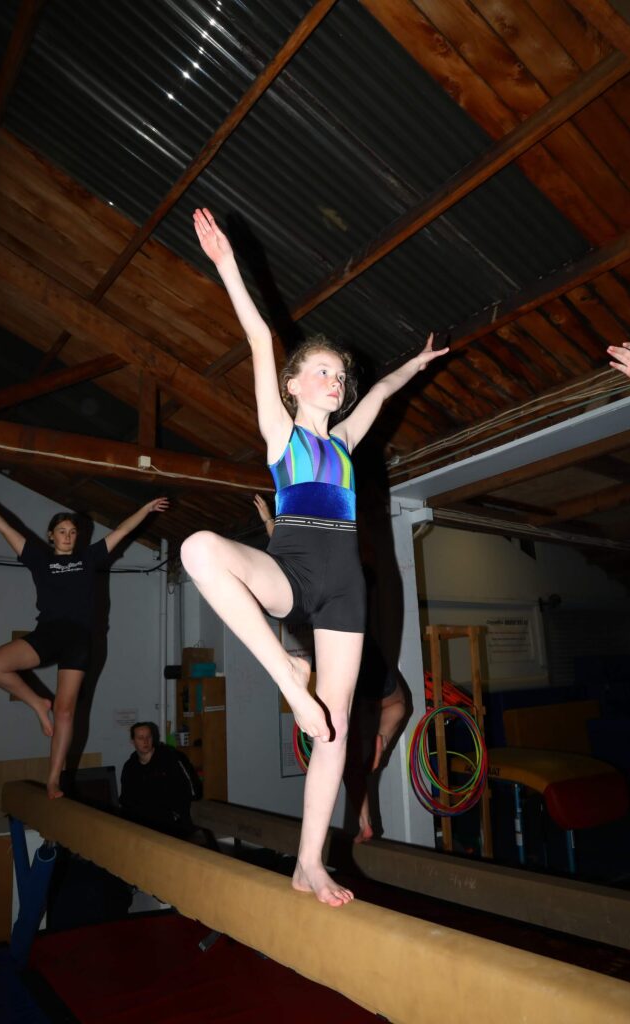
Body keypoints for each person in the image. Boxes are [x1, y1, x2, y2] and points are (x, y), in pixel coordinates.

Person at [180, 207, 448, 906]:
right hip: (290, 569)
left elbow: (381, 391)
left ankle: (309, 863)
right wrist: (227, 266)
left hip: (344, 592)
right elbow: (259, 337)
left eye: (339, 375)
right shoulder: (282, 435)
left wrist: (414, 365)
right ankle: (286, 677)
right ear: (297, 385)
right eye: (322, 371)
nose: (335, 380)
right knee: (199, 548)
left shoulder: (345, 443)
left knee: (334, 734)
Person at [0, 493, 169, 798]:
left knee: (66, 712)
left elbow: (121, 532)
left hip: (79, 640)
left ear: (77, 537)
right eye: (62, 531)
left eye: (72, 532)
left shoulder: (88, 558)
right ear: (51, 536)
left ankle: (54, 780)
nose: (67, 536)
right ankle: (38, 703)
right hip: (46, 634)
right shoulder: (38, 558)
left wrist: (144, 509)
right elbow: (3, 526)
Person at [253, 493, 406, 844]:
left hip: (333, 662)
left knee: (340, 746)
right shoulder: (352, 571)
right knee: (397, 705)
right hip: (362, 654)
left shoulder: (327, 572)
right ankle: (380, 738)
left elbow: (293, 561)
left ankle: (364, 818)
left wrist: (270, 523)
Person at [120, 721, 202, 839]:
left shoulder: (171, 758)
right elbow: (126, 800)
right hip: (143, 827)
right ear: (133, 741)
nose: (145, 741)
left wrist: (176, 812)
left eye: (148, 737)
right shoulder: (130, 767)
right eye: (140, 738)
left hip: (173, 825)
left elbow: (194, 790)